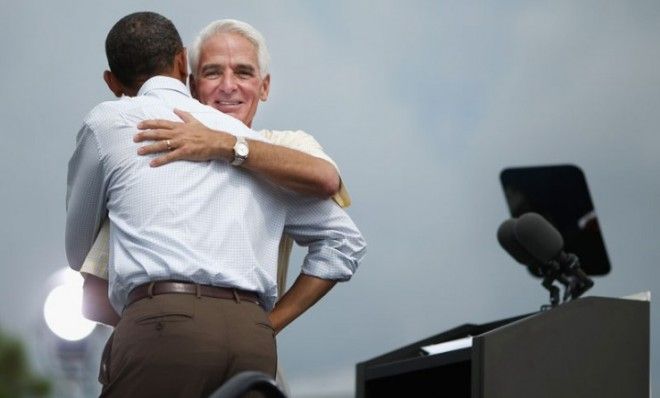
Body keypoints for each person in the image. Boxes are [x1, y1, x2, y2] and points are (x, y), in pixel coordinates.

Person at [66, 12, 366, 397]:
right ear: (186, 75)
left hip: (218, 336)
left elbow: (328, 184)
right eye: (211, 73)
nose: (228, 87)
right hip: (232, 341)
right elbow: (92, 294)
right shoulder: (160, 146)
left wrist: (228, 147)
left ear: (264, 86)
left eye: (243, 72)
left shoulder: (277, 154)